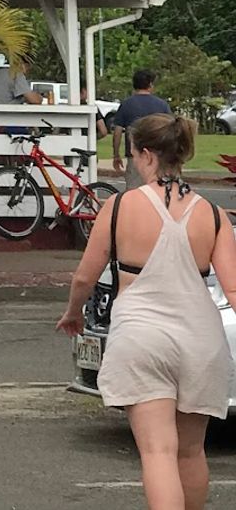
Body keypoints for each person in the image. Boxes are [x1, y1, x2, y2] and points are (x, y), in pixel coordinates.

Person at [60, 113, 236, 510]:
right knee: (190, 452)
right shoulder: (213, 215)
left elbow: (84, 278)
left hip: (142, 337)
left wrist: (73, 313)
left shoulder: (119, 207)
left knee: (157, 452)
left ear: (145, 155)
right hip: (201, 339)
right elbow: (233, 287)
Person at [109, 69, 172, 189]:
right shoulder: (162, 105)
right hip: (157, 155)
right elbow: (170, 130)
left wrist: (116, 154)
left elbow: (117, 132)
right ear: (150, 85)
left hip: (135, 155)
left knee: (133, 191)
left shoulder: (126, 104)